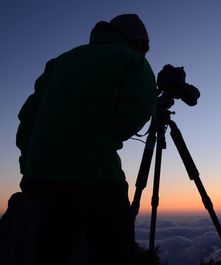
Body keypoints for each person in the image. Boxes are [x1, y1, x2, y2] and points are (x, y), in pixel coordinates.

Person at [16, 14, 157, 265]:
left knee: (51, 254)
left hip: (46, 179)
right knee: (113, 255)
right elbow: (143, 105)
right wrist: (108, 134)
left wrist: (28, 167)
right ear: (135, 42)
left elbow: (28, 116)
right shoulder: (131, 60)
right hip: (98, 176)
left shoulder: (60, 62)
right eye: (144, 47)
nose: (144, 53)